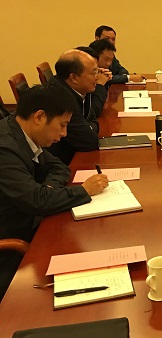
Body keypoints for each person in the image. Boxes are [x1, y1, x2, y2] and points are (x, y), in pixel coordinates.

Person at [0, 84, 108, 299]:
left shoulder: (23, 133)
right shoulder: (5, 148)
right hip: (13, 244)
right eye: (62, 125)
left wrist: (48, 189)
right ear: (39, 117)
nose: (64, 134)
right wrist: (84, 191)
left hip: (32, 220)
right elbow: (37, 201)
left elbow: (60, 168)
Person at [47, 50, 106, 164]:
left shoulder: (80, 89)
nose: (97, 78)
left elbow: (93, 119)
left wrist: (87, 126)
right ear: (74, 77)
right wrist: (88, 127)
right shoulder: (60, 98)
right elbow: (89, 141)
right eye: (93, 73)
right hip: (61, 161)